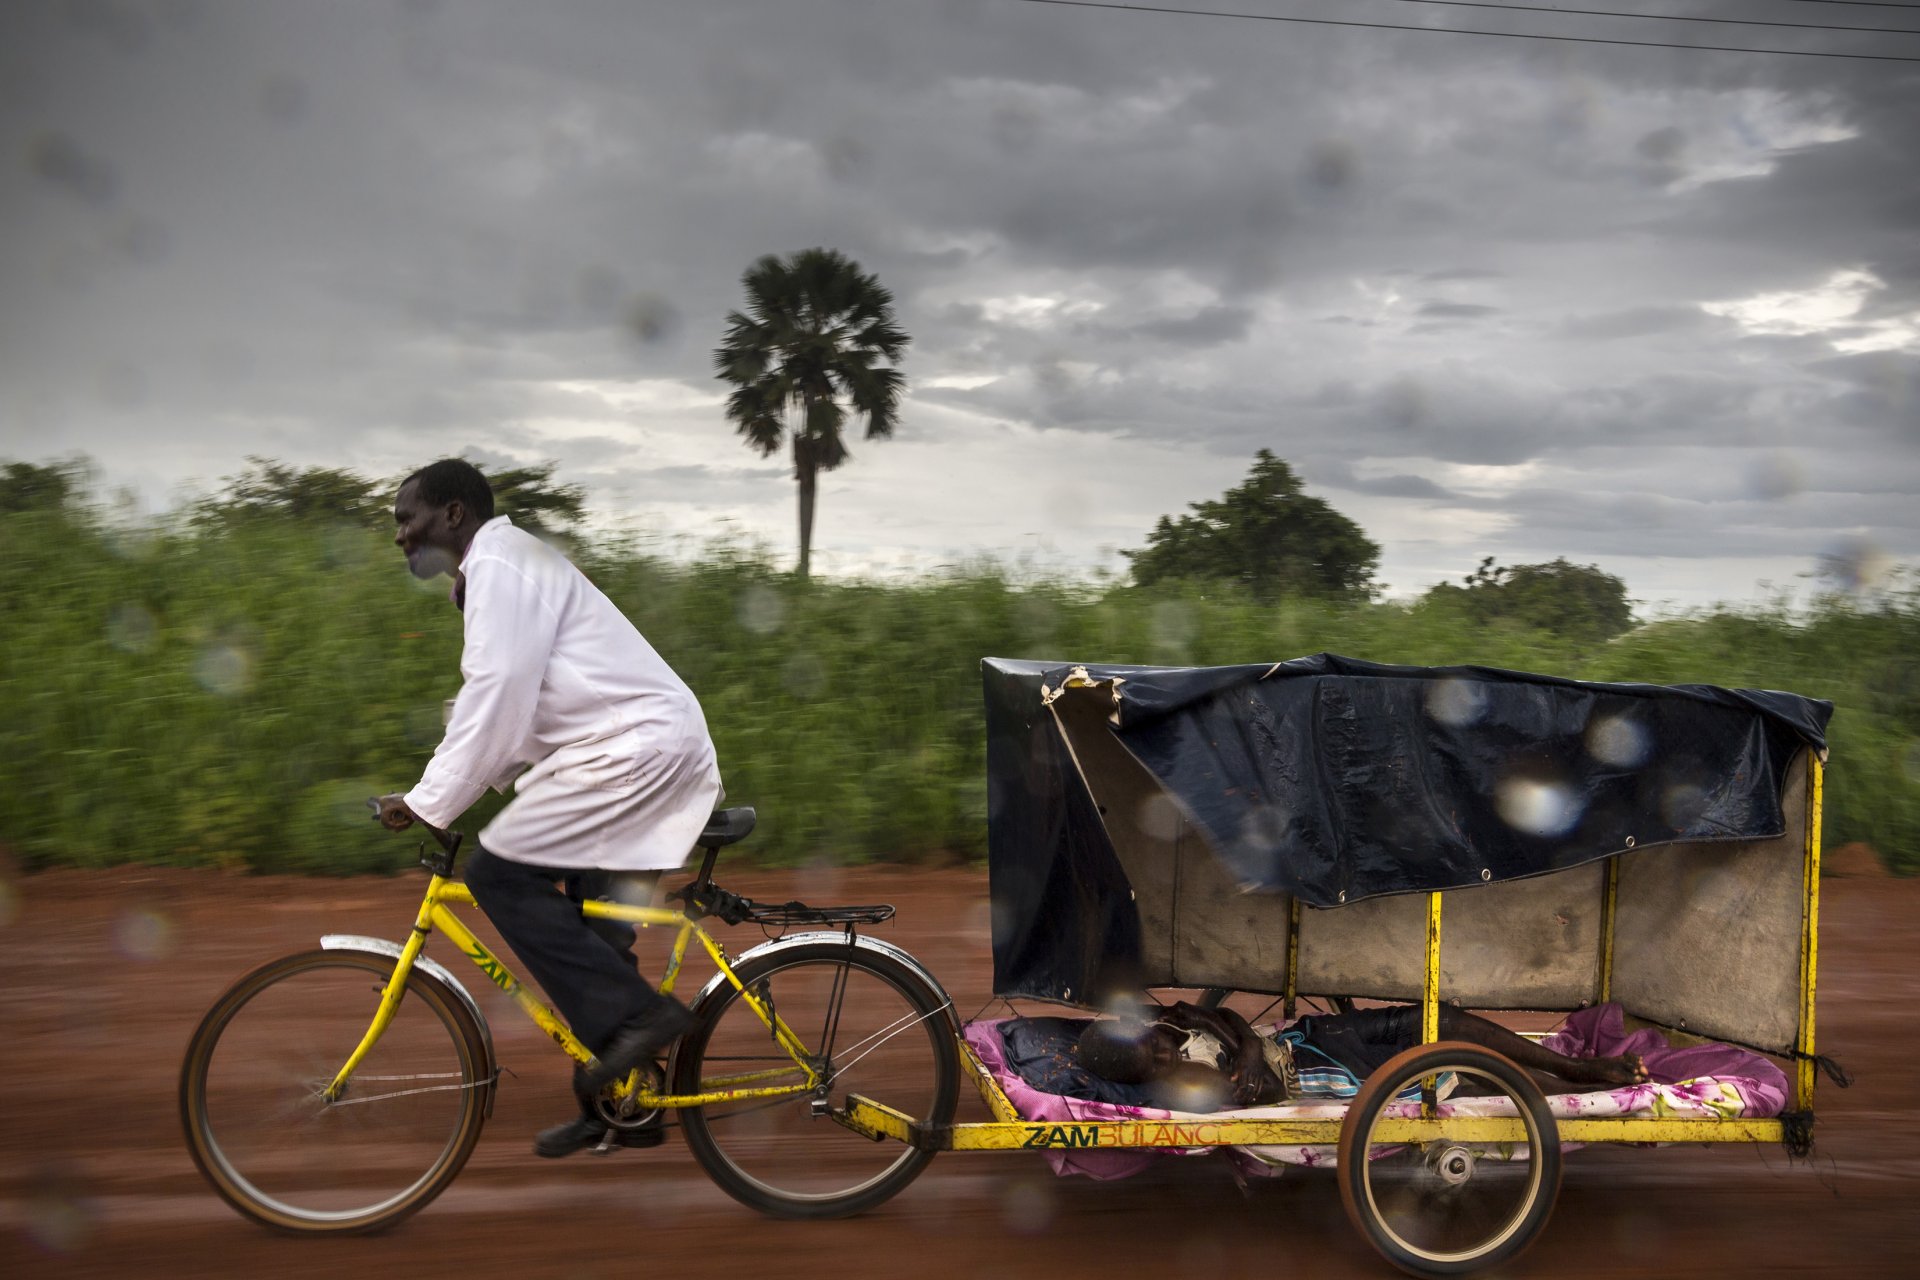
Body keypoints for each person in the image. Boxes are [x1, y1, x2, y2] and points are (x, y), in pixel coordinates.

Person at [376, 458, 722, 1158]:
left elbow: (498, 696)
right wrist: (444, 786)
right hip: (639, 753)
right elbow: (510, 707)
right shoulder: (500, 570)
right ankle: (625, 1107)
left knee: (499, 875)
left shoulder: (503, 566)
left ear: (453, 515)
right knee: (597, 931)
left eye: (406, 519)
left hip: (637, 755)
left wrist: (428, 800)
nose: (399, 536)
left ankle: (641, 1020)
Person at [1076, 1001, 1648, 1111]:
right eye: (1154, 1059)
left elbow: (1221, 1018)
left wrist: (1248, 1045)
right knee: (1464, 1081)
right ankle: (1585, 1093)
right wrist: (1241, 1061)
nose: (1163, 1047)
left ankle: (1579, 1066)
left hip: (1314, 1034)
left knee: (1443, 1019)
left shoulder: (1167, 1023)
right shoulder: (1179, 1088)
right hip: (1327, 1073)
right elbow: (1265, 1092)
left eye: (1151, 1038)